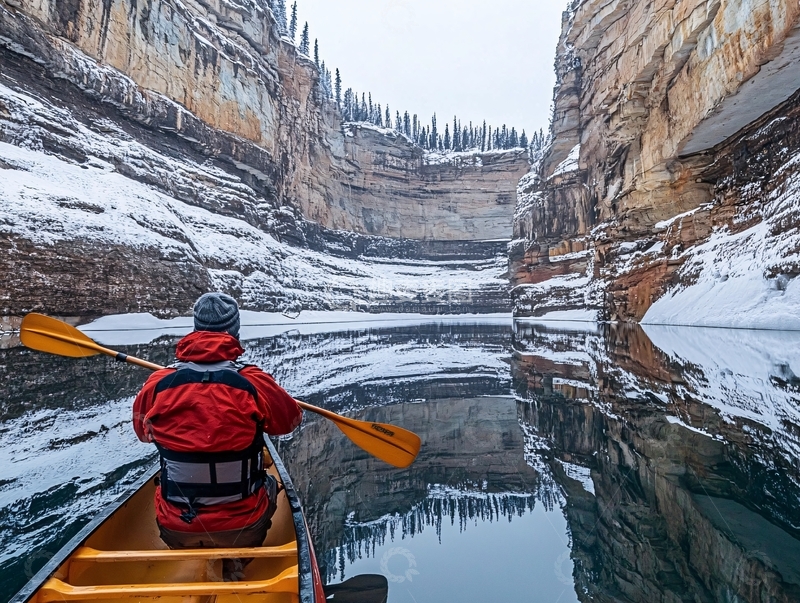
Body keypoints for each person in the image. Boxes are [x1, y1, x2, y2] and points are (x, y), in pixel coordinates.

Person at [133, 293, 302, 578]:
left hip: (175, 528)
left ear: (196, 328)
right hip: (243, 527)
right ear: (234, 331)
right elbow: (288, 422)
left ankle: (193, 551)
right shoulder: (253, 381)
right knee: (272, 482)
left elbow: (143, 433)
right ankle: (238, 559)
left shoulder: (158, 383)